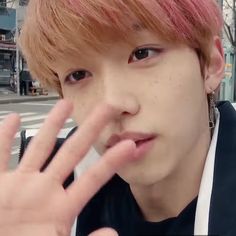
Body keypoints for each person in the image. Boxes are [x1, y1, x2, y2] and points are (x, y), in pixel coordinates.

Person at [0, 0, 234, 235]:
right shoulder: (41, 206)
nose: (112, 103)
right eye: (78, 75)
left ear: (211, 65)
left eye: (143, 54)